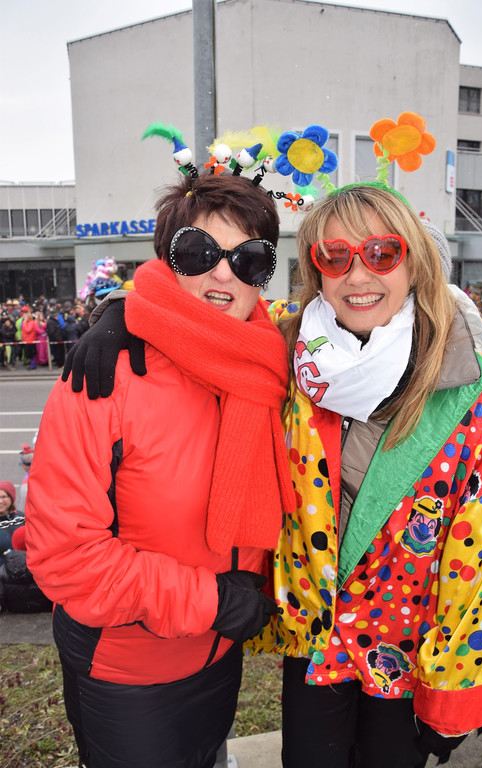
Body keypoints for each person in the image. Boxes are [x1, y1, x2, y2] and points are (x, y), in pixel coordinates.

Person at [25, 171, 295, 768]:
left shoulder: (268, 361)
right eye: (199, 252)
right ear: (166, 258)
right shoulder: (105, 375)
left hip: (218, 658)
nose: (223, 274)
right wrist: (214, 601)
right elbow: (65, 556)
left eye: (249, 258)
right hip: (127, 674)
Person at [253, 183, 482, 768]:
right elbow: (208, 305)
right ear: (314, 270)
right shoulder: (289, 347)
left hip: (404, 657)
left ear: (414, 262)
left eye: (381, 252)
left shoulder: (477, 391)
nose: (357, 275)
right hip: (315, 643)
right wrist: (121, 311)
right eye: (334, 256)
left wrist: (454, 689)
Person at [0, 481, 24, 564]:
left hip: (22, 566)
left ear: (11, 498)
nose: (0, 501)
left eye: (4, 497)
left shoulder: (20, 517)